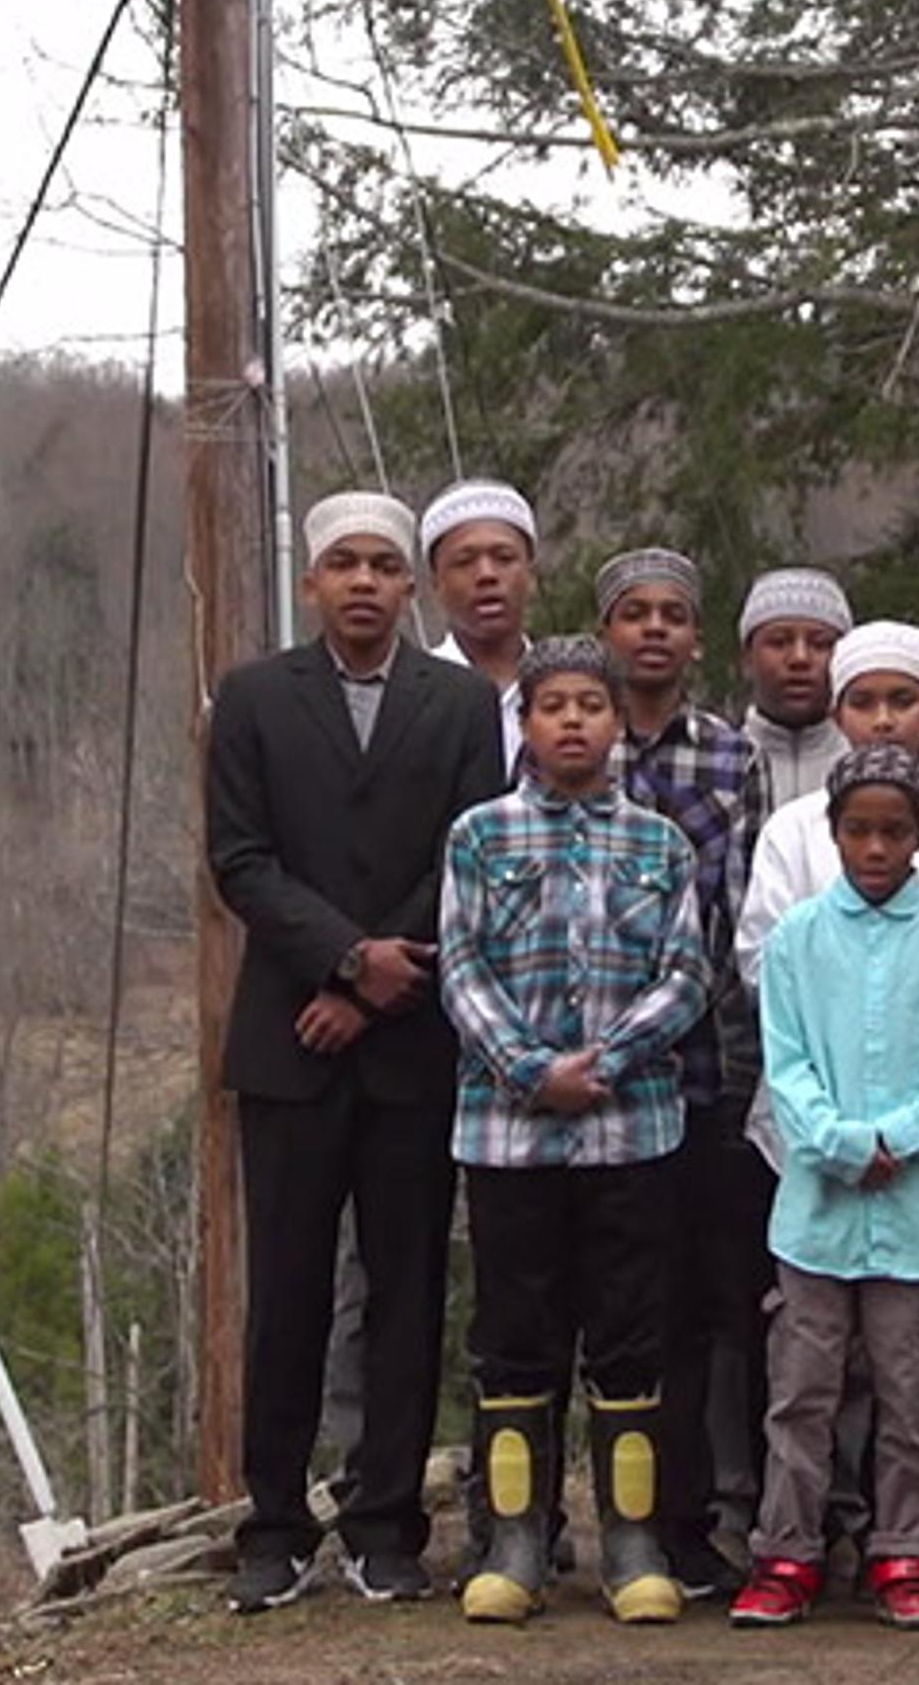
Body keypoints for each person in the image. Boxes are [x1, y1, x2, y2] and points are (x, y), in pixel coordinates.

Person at [204, 492, 510, 1612]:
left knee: (408, 1283)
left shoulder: (463, 702)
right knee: (283, 1289)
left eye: (386, 564)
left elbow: (472, 851)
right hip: (289, 1039)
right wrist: (342, 961)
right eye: (346, 565)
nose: (367, 583)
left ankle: (387, 1520)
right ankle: (275, 1521)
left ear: (409, 584)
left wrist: (383, 983)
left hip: (414, 1042)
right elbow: (241, 859)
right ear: (313, 581)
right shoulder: (251, 699)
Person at [736, 621, 919, 1575]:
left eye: (900, 699)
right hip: (814, 1182)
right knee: (804, 1383)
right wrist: (834, 1138)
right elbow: (778, 1037)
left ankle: (906, 1548)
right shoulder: (795, 890)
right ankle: (791, 1546)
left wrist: (900, 1136)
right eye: (860, 700)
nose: (875, 845)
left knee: (912, 1380)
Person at [438, 637, 713, 1625]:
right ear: (526, 720)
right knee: (516, 1337)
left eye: (590, 704)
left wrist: (603, 1063)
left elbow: (687, 973)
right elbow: (460, 969)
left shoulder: (658, 843)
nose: (572, 721)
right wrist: (529, 1068)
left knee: (632, 1338)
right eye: (551, 704)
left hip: (630, 1130)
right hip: (509, 1137)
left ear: (613, 718)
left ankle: (632, 1540)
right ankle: (517, 1538)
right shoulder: (480, 834)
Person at [596, 546, 772, 1597]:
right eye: (633, 613)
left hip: (699, 1067)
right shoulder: (563, 739)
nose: (653, 630)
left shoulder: (727, 754)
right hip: (580, 1086)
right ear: (607, 629)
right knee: (610, 1303)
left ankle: (688, 1519)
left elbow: (736, 911)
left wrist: (672, 1014)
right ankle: (600, 1519)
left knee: (706, 1304)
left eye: (672, 614)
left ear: (696, 638)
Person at [422, 478, 540, 772]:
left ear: (531, 575)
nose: (486, 575)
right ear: (436, 583)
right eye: (464, 561)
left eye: (503, 558)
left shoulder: (564, 690)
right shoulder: (410, 698)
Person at [739, 568, 853, 809]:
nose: (800, 658)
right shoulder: (718, 763)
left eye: (820, 644)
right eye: (779, 642)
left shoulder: (864, 763)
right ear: (747, 660)